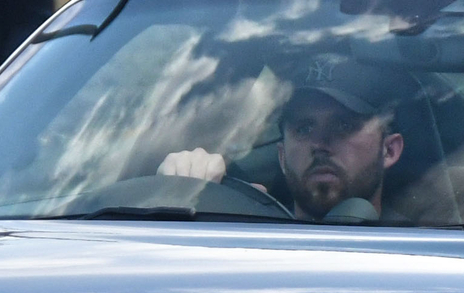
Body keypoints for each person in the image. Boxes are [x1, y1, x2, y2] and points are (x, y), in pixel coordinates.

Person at [159, 57, 409, 222]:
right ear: (281, 156)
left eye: (344, 125)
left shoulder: (424, 251)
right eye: (303, 128)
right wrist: (180, 196)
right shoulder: (242, 239)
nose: (319, 144)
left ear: (389, 150)